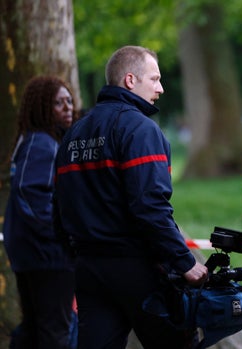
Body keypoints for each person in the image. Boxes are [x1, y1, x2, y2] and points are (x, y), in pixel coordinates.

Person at [53, 45, 208, 349]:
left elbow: (57, 207)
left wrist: (75, 258)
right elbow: (150, 207)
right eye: (154, 79)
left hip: (88, 269)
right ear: (129, 80)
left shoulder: (74, 134)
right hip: (137, 269)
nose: (161, 88)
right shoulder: (140, 130)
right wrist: (184, 262)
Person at [3, 76, 77, 348]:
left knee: (34, 328)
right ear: (42, 108)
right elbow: (30, 194)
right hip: (47, 257)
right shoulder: (41, 144)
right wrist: (62, 235)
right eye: (58, 103)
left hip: (34, 255)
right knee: (54, 331)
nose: (68, 107)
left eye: (69, 100)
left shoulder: (37, 140)